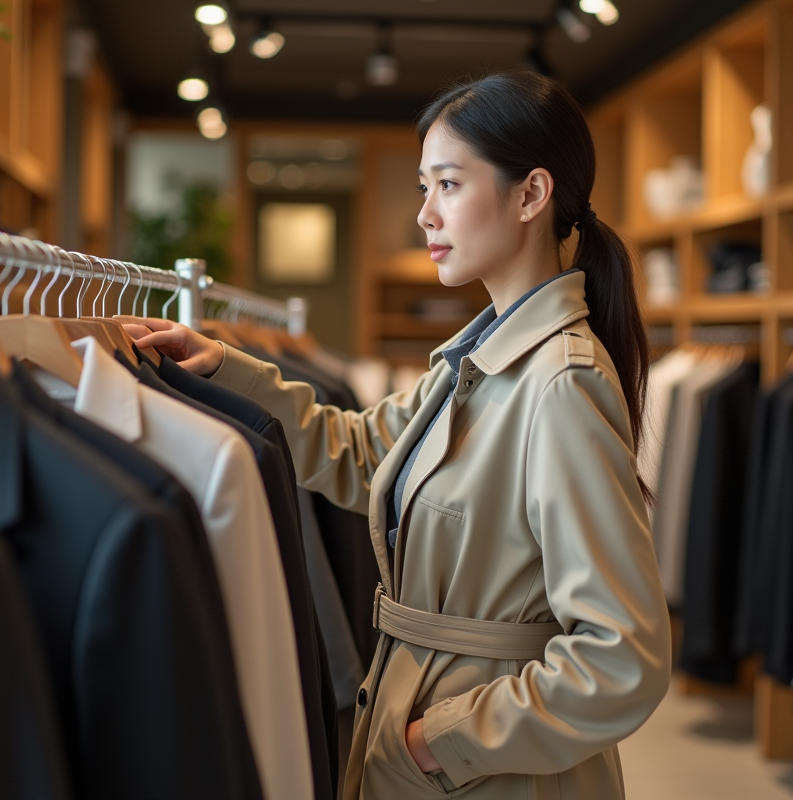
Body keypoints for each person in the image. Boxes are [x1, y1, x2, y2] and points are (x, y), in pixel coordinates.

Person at [132, 71, 672, 800]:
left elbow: (623, 657)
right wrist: (226, 369)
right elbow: (359, 455)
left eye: (446, 184)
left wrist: (439, 742)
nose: (424, 214)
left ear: (531, 194)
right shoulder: (474, 360)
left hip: (492, 771)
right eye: (424, 187)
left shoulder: (560, 385)